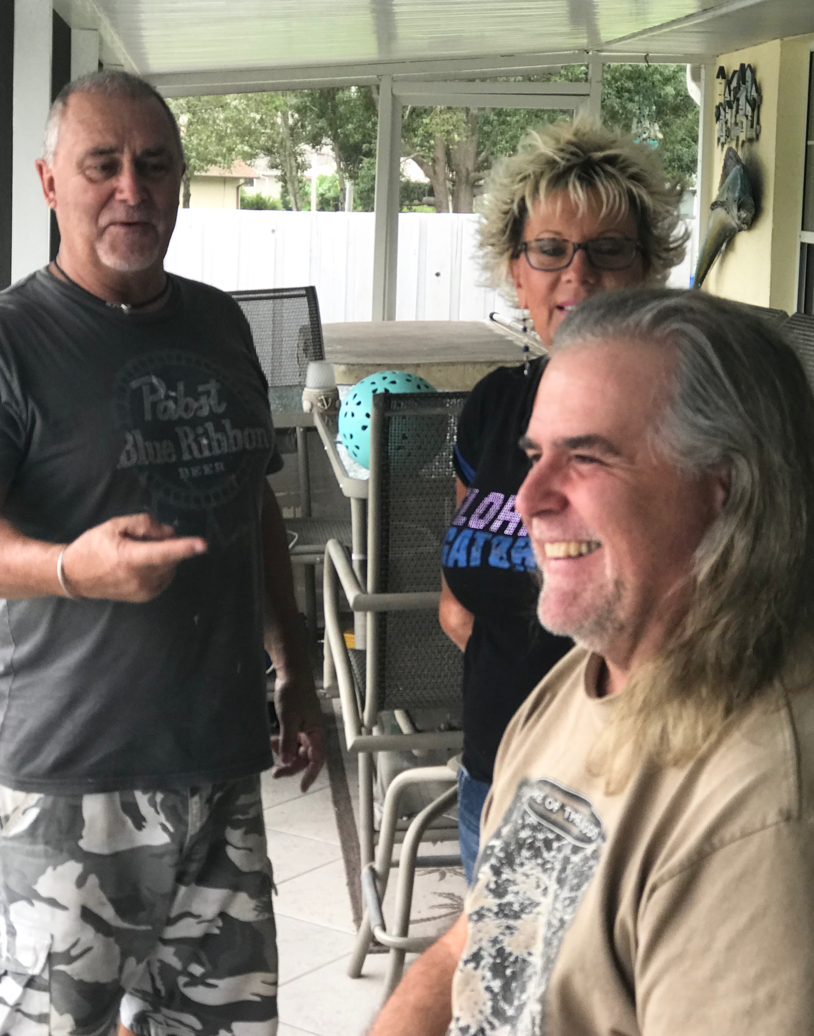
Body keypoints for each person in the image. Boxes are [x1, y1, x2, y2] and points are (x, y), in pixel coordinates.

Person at [372, 288, 814, 1036]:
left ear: (726, 486)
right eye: (534, 456)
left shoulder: (768, 812)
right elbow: (497, 919)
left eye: (587, 457)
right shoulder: (595, 673)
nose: (528, 498)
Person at [0, 71, 324, 1036]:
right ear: (49, 182)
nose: (131, 189)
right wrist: (71, 569)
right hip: (73, 781)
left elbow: (252, 500)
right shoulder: (15, 340)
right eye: (102, 165)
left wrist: (293, 668)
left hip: (219, 765)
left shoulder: (219, 322)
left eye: (155, 165)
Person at [439, 116, 687, 881]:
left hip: (624, 794)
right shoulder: (493, 406)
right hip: (493, 778)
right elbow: (457, 602)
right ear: (517, 273)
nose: (578, 274)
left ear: (646, 270)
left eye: (608, 250)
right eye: (550, 249)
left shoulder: (687, 411)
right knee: (498, 963)